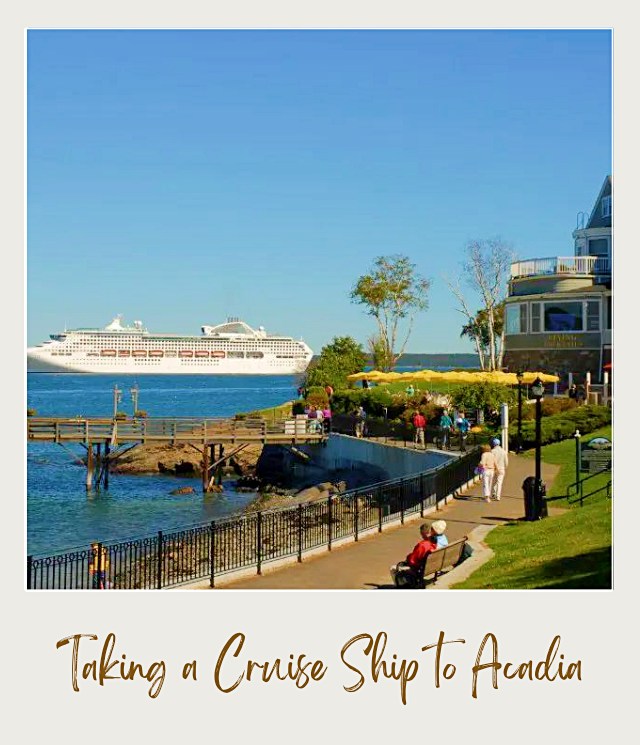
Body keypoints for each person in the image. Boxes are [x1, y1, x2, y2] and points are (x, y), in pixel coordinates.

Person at [389, 523, 438, 588]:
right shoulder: (434, 543)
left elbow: (412, 561)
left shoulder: (422, 545)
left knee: (393, 568)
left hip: (417, 569)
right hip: (428, 567)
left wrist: (408, 558)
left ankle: (401, 587)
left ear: (423, 533)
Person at [491, 437, 509, 501]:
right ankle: (497, 496)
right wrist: (505, 467)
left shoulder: (492, 451)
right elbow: (506, 462)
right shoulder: (503, 452)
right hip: (501, 468)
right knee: (499, 482)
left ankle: (494, 492)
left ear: (493, 444)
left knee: (495, 481)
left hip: (494, 468)